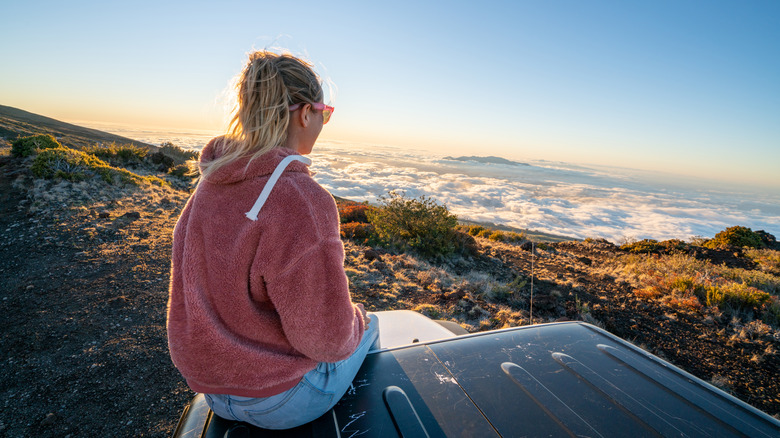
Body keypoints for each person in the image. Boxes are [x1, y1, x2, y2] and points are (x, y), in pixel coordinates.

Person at [166, 50, 378, 430]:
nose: (324, 122)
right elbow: (328, 341)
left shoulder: (211, 182)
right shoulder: (300, 200)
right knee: (372, 325)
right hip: (280, 399)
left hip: (210, 389)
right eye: (325, 113)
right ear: (304, 114)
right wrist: (357, 321)